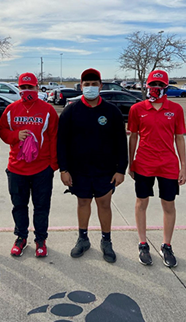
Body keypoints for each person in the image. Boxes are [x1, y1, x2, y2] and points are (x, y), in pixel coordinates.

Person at [57, 68, 128, 263]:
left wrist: (121, 170)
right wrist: (63, 169)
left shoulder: (111, 111)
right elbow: (61, 142)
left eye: (93, 84)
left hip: (105, 170)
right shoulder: (71, 110)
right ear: (81, 86)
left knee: (104, 204)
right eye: (86, 84)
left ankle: (106, 241)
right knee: (82, 202)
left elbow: (121, 143)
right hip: (78, 170)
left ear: (100, 86)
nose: (90, 88)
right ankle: (83, 238)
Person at [128, 70, 186, 268]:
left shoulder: (176, 110)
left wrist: (183, 166)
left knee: (168, 206)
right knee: (141, 203)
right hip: (144, 164)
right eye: (154, 84)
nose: (157, 88)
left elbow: (179, 138)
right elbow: (133, 136)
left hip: (168, 165)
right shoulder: (137, 109)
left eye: (161, 85)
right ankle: (143, 243)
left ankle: (166, 245)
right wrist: (131, 161)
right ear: (147, 85)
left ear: (166, 87)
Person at [0, 72, 58, 257]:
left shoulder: (48, 110)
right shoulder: (11, 109)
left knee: (41, 206)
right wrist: (15, 136)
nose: (27, 91)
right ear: (19, 88)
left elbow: (55, 137)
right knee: (19, 205)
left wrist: (53, 166)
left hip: (42, 169)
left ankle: (41, 239)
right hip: (17, 168)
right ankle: (21, 237)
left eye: (30, 87)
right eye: (23, 88)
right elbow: (2, 130)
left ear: (37, 88)